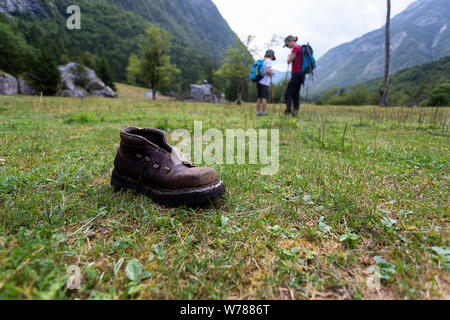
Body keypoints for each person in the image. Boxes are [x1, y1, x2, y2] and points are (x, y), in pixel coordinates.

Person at [284, 35, 305, 116]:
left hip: (296, 74)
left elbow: (289, 61)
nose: (287, 47)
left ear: (291, 41)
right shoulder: (299, 48)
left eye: (287, 45)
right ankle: (295, 113)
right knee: (295, 95)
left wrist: (289, 57)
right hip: (300, 74)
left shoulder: (295, 48)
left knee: (288, 94)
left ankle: (288, 111)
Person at [256, 49, 276, 117]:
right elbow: (267, 71)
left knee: (259, 98)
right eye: (273, 56)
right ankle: (264, 113)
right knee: (264, 98)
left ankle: (258, 112)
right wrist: (271, 74)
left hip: (259, 81)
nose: (272, 58)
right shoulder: (268, 61)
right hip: (264, 83)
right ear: (271, 55)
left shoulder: (263, 60)